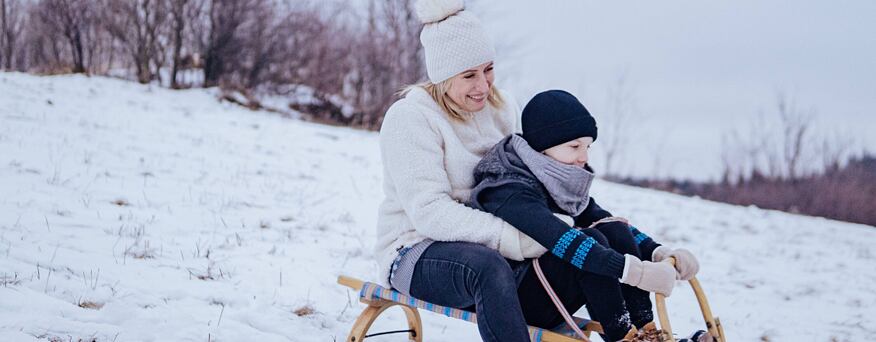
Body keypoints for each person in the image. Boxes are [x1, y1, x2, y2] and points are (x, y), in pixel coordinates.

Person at [467, 89, 702, 341]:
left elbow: (600, 217)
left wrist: (658, 252)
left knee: (613, 229)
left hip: (548, 287)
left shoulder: (554, 175)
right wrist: (639, 273)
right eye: (575, 146)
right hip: (512, 299)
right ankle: (622, 336)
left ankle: (645, 331)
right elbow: (560, 238)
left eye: (588, 146)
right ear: (543, 146)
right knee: (591, 242)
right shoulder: (506, 187)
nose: (584, 157)